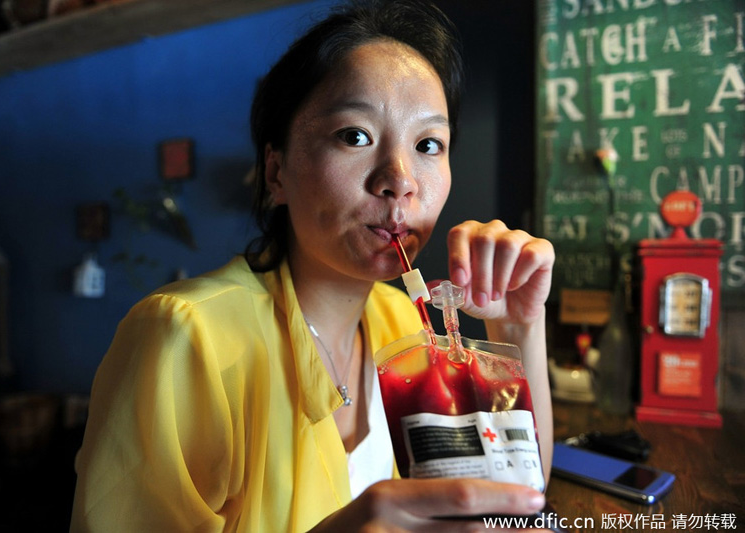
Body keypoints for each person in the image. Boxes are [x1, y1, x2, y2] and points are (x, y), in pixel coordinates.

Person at [70, 0, 555, 531]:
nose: (400, 180)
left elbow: (514, 499)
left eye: (428, 144)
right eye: (355, 136)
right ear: (276, 172)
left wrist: (519, 326)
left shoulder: (402, 322)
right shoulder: (185, 340)